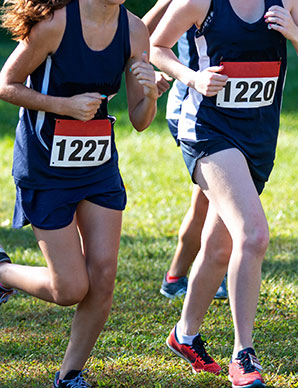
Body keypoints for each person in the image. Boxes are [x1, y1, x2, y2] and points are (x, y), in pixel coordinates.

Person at [0, 0, 158, 386]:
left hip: (97, 166)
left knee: (103, 276)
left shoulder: (135, 30)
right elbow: (6, 84)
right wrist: (64, 106)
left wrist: (151, 94)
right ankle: (2, 271)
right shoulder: (55, 24)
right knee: (69, 288)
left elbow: (140, 121)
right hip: (45, 167)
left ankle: (70, 374)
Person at [150, 0, 298, 387]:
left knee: (218, 248)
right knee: (252, 235)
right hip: (208, 130)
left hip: (259, 137)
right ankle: (243, 355)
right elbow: (155, 47)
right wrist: (192, 78)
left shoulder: (287, 3)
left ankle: (184, 335)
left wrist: (295, 34)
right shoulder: (200, 2)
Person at [142, 0, 227, 300]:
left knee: (213, 201)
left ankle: (194, 271)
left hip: (229, 112)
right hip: (191, 108)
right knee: (211, 200)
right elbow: (138, 34)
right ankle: (182, 275)